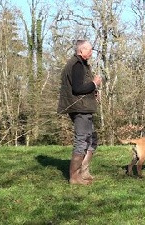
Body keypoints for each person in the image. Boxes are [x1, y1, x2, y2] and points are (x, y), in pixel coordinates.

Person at [57, 40, 102, 185]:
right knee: (82, 140)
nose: (91, 52)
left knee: (92, 139)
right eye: (89, 50)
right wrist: (94, 83)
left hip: (84, 107)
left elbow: (82, 88)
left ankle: (84, 172)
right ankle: (75, 177)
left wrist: (92, 91)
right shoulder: (76, 65)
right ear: (81, 51)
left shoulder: (81, 64)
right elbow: (77, 89)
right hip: (79, 109)